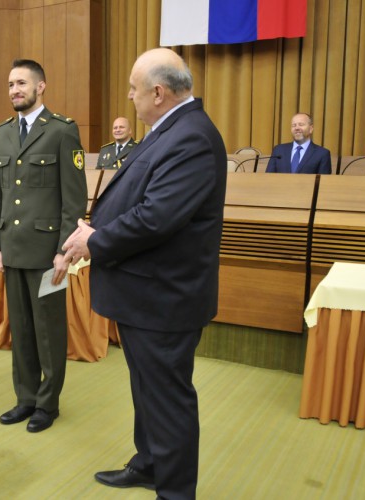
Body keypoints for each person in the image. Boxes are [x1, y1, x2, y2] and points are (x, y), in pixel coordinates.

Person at [62, 48, 227, 499]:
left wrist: (96, 240)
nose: (129, 97)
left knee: (167, 398)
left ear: (158, 93)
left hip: (165, 298)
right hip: (147, 294)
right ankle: (151, 463)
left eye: (134, 90)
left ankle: (175, 491)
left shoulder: (191, 137)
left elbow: (157, 217)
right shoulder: (171, 129)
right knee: (147, 390)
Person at [0, 59, 87, 433]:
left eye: (21, 83)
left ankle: (47, 404)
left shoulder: (61, 130)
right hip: (12, 250)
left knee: (48, 332)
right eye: (10, 84)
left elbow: (73, 199)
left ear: (40, 86)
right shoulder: (2, 134)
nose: (14, 90)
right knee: (22, 330)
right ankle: (25, 398)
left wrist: (64, 251)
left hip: (48, 253)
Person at [265, 113, 332, 174]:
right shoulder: (279, 150)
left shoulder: (322, 154)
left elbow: (324, 181)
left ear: (311, 129)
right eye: (294, 125)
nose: (297, 128)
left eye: (301, 124)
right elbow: (268, 178)